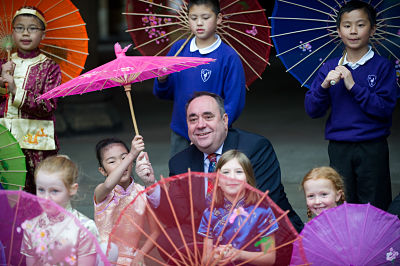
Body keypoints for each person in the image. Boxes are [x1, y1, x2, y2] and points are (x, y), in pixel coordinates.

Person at [147, 91, 303, 261]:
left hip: (257, 227)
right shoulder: (180, 162)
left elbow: (263, 202)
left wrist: (232, 246)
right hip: (212, 233)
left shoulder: (255, 148)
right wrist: (150, 184)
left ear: (224, 120)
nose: (200, 125)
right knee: (169, 238)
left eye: (208, 117)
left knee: (272, 245)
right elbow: (177, 217)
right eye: (193, 119)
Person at [304, 0, 398, 211]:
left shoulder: (383, 66)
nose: (353, 31)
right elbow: (312, 110)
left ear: (372, 28)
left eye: (361, 25)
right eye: (347, 25)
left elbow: (383, 109)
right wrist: (324, 85)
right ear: (338, 30)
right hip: (339, 147)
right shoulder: (329, 67)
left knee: (375, 203)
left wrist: (354, 86)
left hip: (372, 146)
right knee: (342, 204)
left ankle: (374, 245)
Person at [153, 0, 246, 157]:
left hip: (213, 133)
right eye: (194, 18)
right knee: (180, 176)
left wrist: (215, 129)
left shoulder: (228, 56)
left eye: (205, 17)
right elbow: (165, 93)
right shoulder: (178, 49)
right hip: (182, 130)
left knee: (213, 177)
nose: (199, 23)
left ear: (219, 18)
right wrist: (162, 80)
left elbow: (234, 102)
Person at [0, 6, 61, 194]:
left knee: (36, 194)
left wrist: (15, 90)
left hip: (36, 145)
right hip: (4, 140)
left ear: (42, 34)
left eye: (33, 28)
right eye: (19, 28)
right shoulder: (4, 64)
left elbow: (49, 105)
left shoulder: (50, 67)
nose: (25, 33)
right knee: (7, 193)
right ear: (12, 32)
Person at [198, 150, 277, 265]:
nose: (232, 177)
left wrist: (239, 254)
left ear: (248, 179)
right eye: (225, 172)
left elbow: (269, 257)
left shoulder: (262, 212)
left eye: (239, 172)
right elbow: (205, 260)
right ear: (218, 181)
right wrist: (216, 255)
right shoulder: (210, 214)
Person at [20, 155, 99, 265]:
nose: (46, 198)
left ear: (72, 189)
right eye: (41, 190)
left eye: (55, 191)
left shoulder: (85, 228)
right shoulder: (32, 227)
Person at [94, 136, 160, 266]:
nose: (120, 165)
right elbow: (108, 185)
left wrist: (140, 256)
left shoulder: (142, 193)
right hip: (105, 257)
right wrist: (131, 155)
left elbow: (156, 232)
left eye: (123, 158)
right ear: (102, 171)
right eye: (112, 162)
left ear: (132, 163)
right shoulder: (102, 193)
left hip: (133, 259)